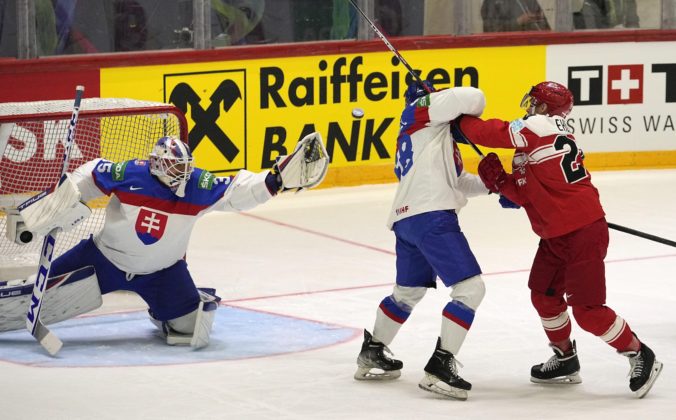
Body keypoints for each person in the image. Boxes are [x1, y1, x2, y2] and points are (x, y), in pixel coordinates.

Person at [9, 134, 328, 349]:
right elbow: (88, 176)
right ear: (157, 164)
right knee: (32, 297)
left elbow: (236, 190)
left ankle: (163, 309)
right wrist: (53, 208)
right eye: (175, 166)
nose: (182, 173)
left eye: (184, 166)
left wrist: (275, 180)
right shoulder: (130, 174)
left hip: (163, 274)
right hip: (102, 260)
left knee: (192, 331)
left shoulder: (196, 184)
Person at [452, 81, 663, 398]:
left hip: (582, 232)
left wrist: (452, 113)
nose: (528, 108)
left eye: (533, 103)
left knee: (588, 310)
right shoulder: (533, 143)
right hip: (555, 235)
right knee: (544, 295)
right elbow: (524, 195)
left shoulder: (536, 127)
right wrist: (497, 180)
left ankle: (639, 353)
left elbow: (485, 133)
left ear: (544, 108)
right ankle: (566, 359)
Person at [354, 80, 495, 401]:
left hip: (407, 220)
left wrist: (498, 185)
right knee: (471, 289)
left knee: (407, 292)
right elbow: (474, 96)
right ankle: (440, 367)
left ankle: (373, 350)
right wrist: (443, 101)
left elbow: (459, 182)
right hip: (432, 217)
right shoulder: (419, 113)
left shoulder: (426, 137)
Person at [481, 0, 550, 32]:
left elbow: (544, 26)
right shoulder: (491, 2)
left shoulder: (529, 1)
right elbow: (490, 28)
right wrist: (518, 22)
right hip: (503, 49)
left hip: (530, 47)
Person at [573, 0, 639, 30]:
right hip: (601, 46)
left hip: (624, 43)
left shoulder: (628, 1)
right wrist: (613, 30)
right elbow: (592, 31)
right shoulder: (592, 2)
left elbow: (633, 22)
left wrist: (628, 29)